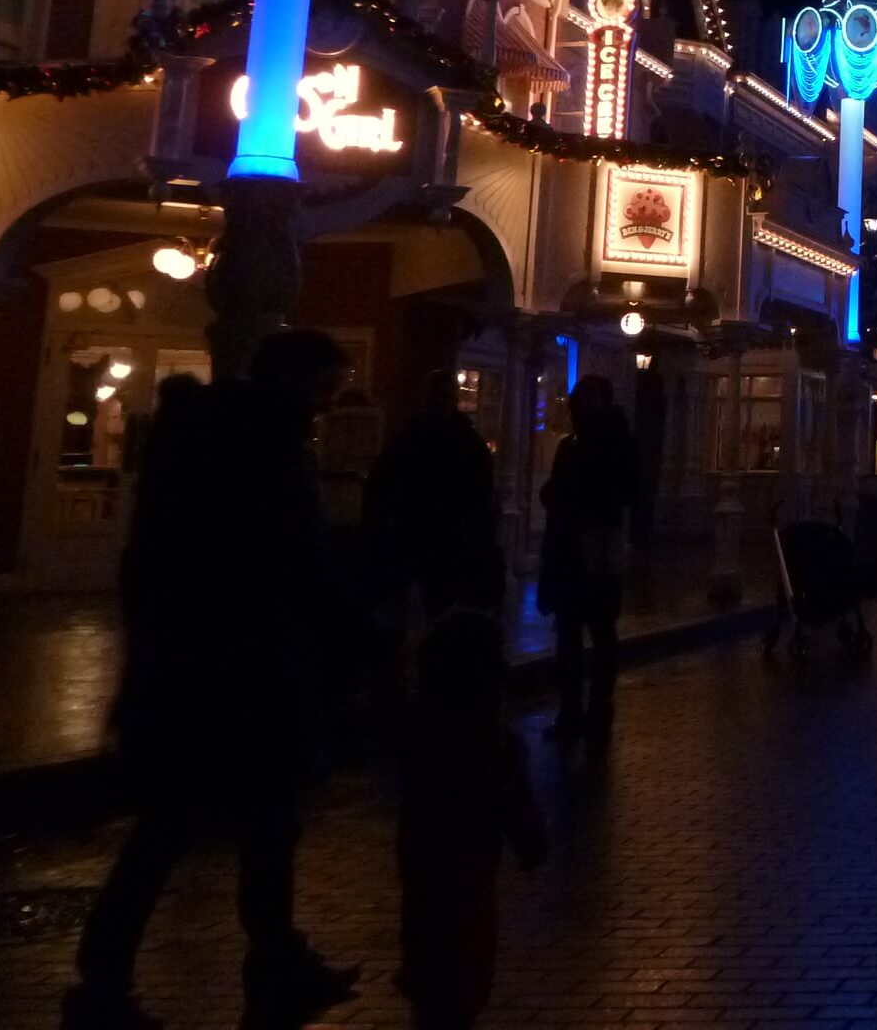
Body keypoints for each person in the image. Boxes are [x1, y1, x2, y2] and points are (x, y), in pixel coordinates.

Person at [68, 332, 361, 1030]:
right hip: (248, 668)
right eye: (323, 390)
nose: (325, 407)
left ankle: (110, 979)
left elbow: (148, 565)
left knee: (180, 826)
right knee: (253, 824)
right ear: (293, 381)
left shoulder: (196, 445)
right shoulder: (269, 452)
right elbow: (293, 560)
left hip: (184, 665)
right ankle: (261, 964)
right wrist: (343, 630)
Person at [395, 609, 546, 1029]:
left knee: (433, 971)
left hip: (425, 869)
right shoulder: (492, 742)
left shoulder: (420, 730)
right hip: (468, 869)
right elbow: (517, 812)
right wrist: (529, 838)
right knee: (463, 968)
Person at [537, 376, 639, 744]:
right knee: (571, 634)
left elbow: (625, 489)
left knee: (597, 631)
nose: (579, 407)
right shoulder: (571, 445)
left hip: (597, 550)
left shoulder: (611, 444)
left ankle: (596, 709)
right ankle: (572, 711)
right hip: (570, 549)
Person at [365, 370, 501, 623]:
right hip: (438, 533)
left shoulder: (410, 436)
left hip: (425, 531)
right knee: (436, 603)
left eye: (444, 395)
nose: (440, 400)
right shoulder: (464, 440)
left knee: (423, 602)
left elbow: (383, 481)